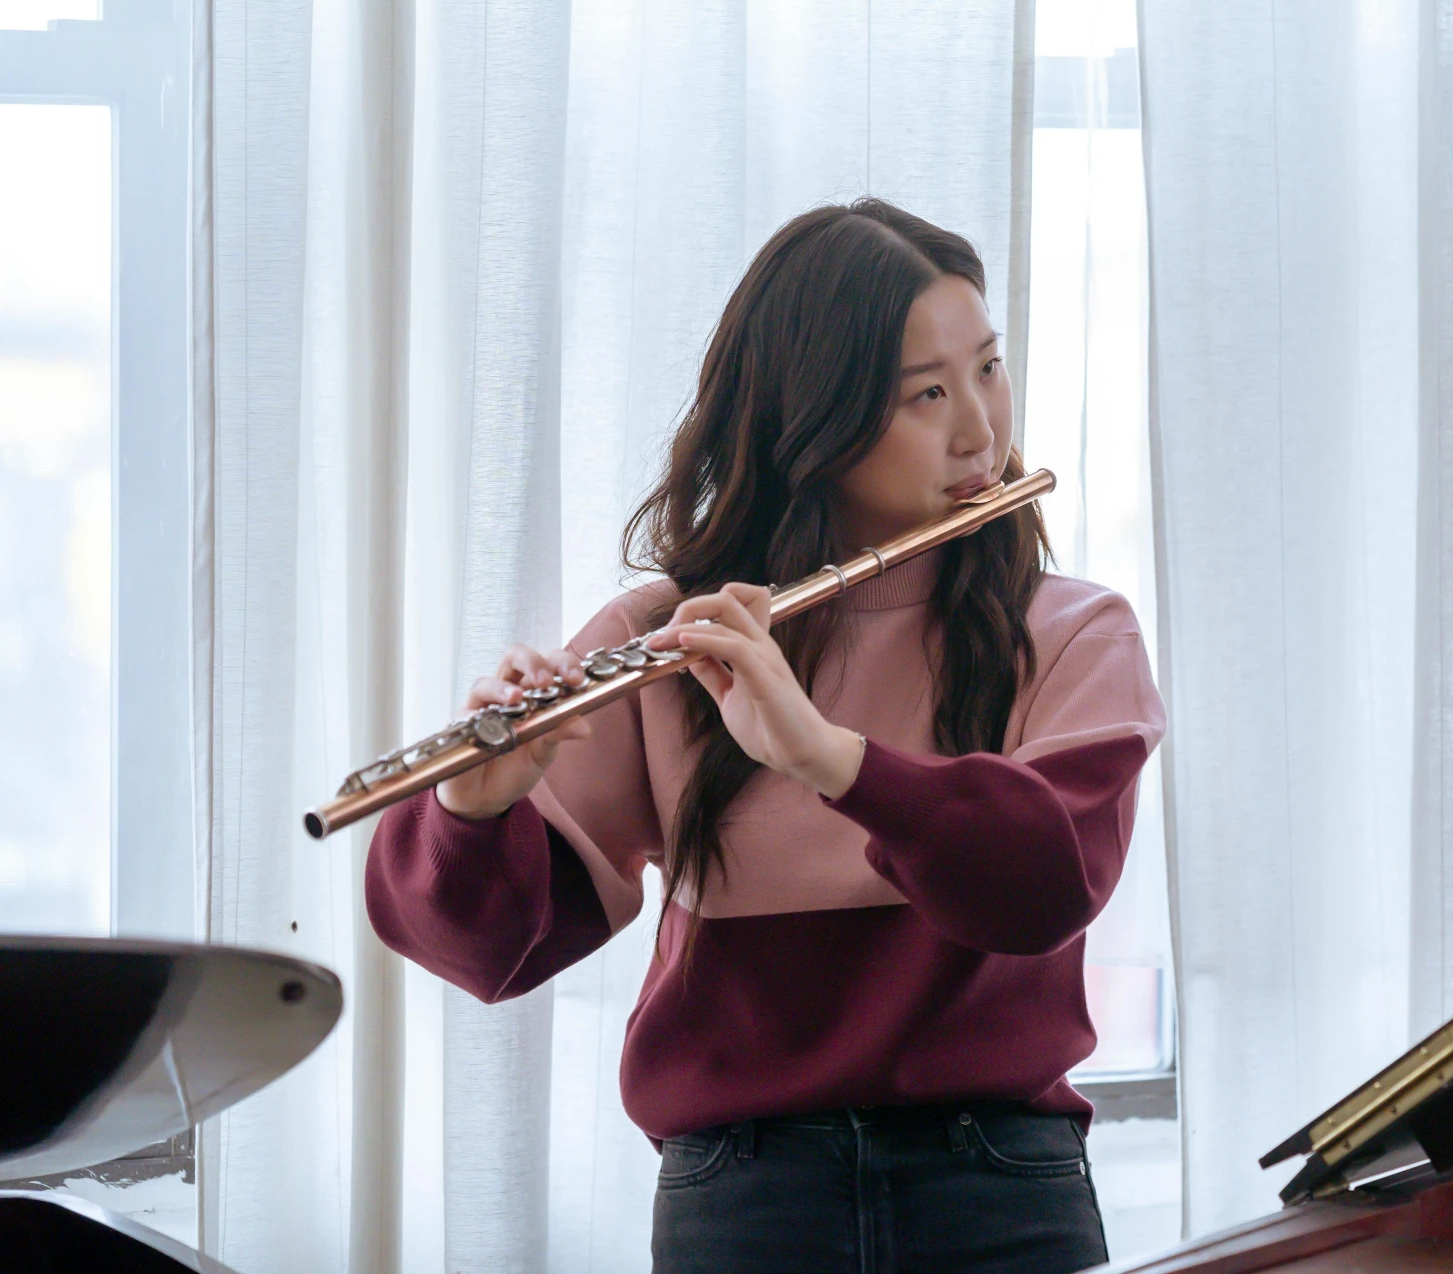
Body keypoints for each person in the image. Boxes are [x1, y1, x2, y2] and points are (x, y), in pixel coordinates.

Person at [366, 199, 1165, 1274]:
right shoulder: (672, 639)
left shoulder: (1070, 630)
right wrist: (475, 803)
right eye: (926, 393)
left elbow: (1043, 886)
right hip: (742, 1194)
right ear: (814, 422)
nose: (980, 428)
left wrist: (826, 757)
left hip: (995, 1185)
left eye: (987, 368)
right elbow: (490, 954)